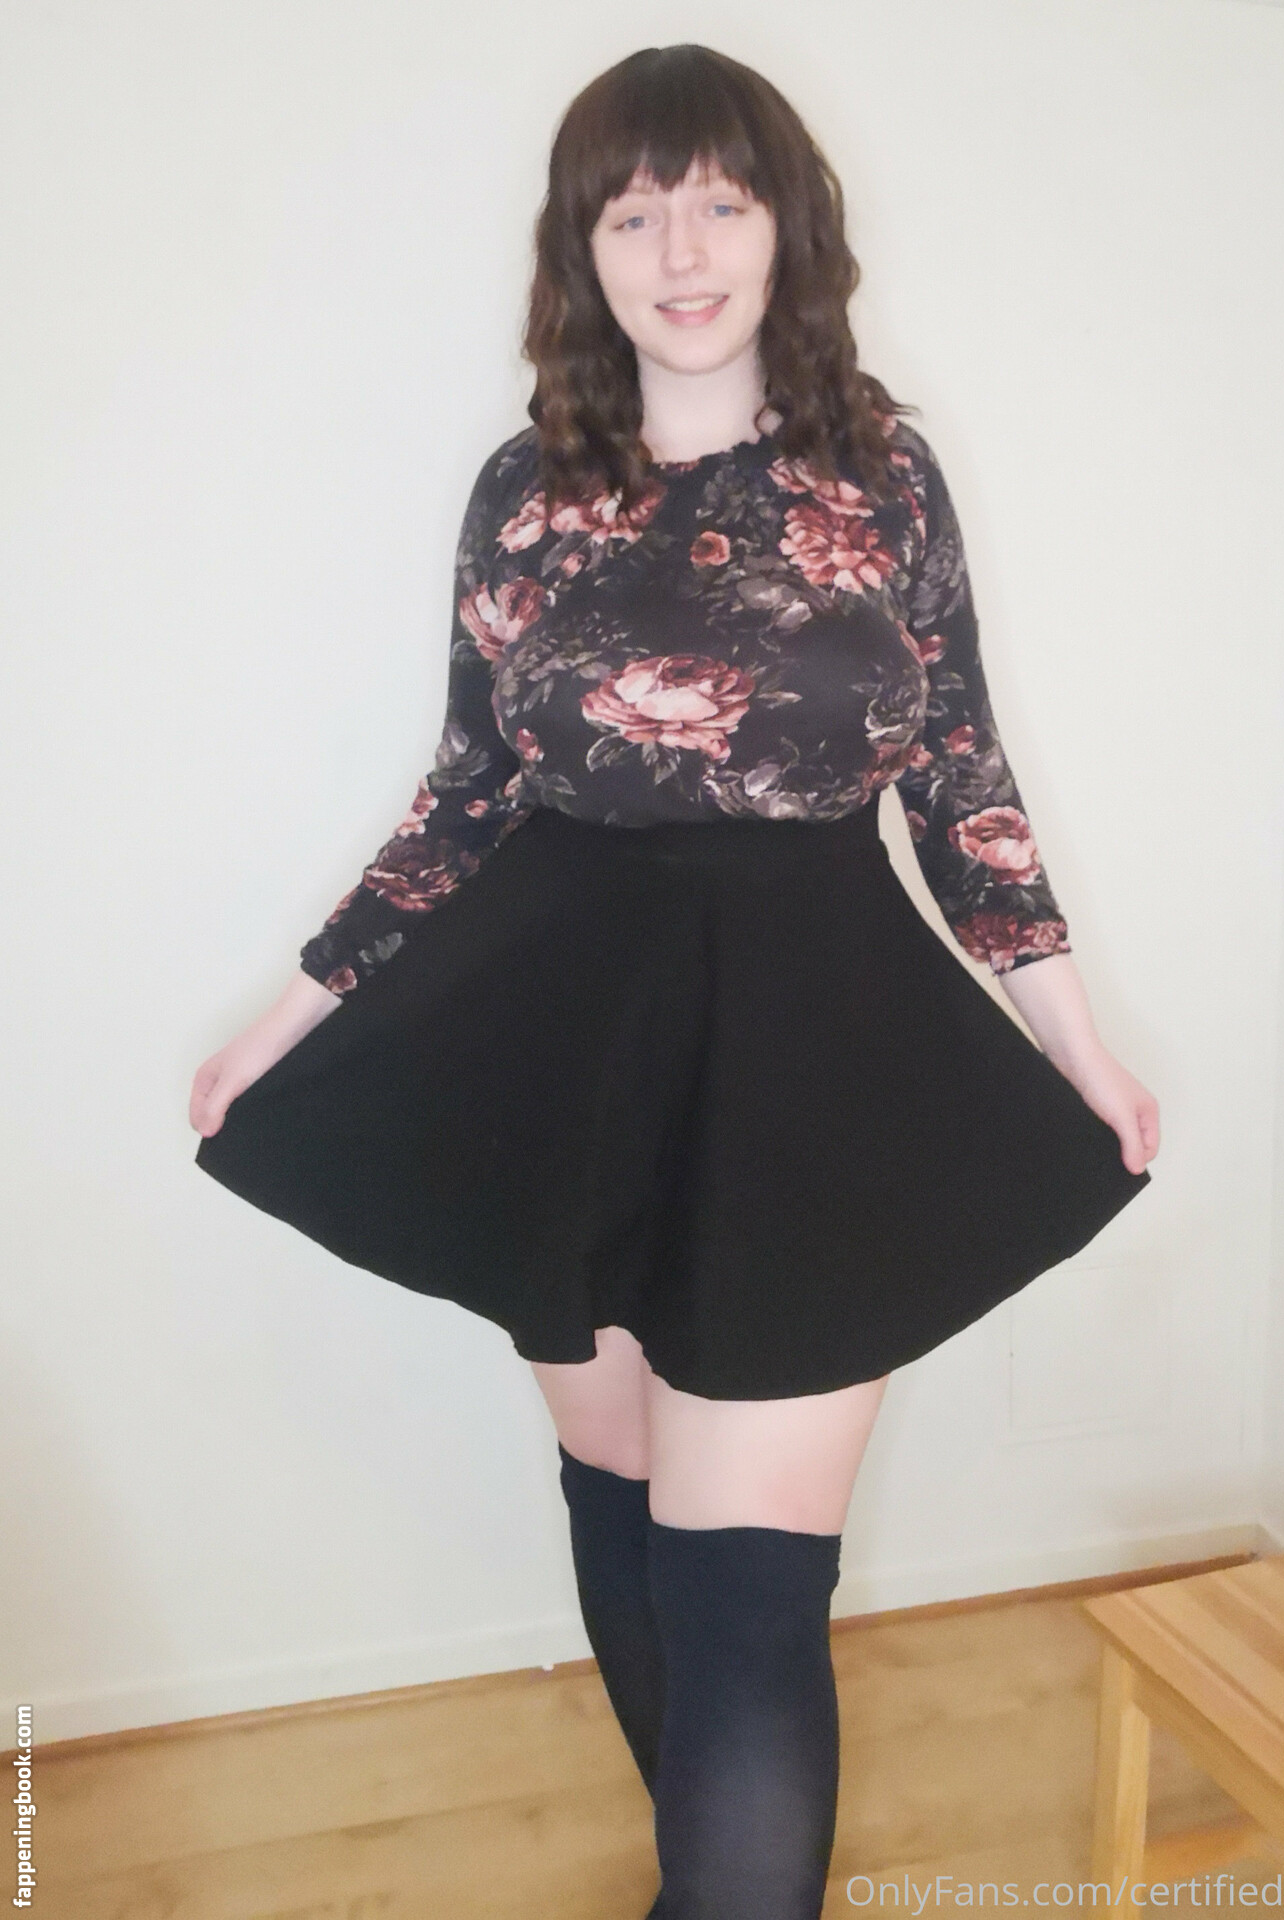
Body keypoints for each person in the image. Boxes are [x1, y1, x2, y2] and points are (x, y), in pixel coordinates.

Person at [190, 43, 1159, 1919]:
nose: (682, 251)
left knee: (746, 1594)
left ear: (789, 226)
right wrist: (287, 1020)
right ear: (585, 252)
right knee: (623, 1497)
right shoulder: (523, 492)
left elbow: (961, 774)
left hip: (811, 1044)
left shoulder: (883, 477)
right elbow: (466, 793)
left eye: (720, 201)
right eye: (633, 216)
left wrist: (1079, 1043)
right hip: (559, 1037)